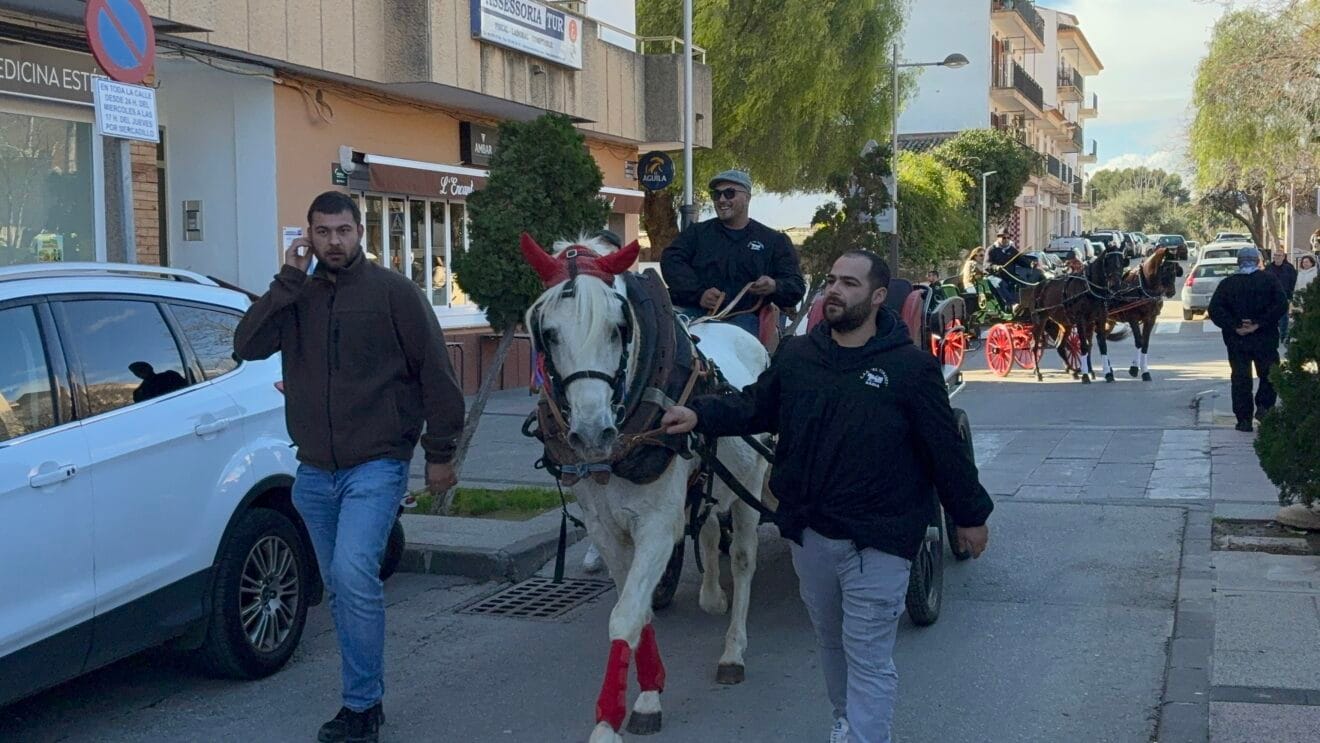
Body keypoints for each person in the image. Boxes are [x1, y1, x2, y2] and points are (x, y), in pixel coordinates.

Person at [660, 250, 993, 743]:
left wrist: (970, 515)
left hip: (879, 540)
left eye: (850, 283)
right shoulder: (798, 358)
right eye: (832, 281)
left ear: (878, 297)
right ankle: (845, 722)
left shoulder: (910, 369)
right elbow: (756, 407)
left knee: (869, 655)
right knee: (832, 643)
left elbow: (946, 451)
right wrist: (700, 416)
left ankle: (863, 736)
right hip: (812, 536)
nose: (835, 290)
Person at [234, 191, 466, 743]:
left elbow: (438, 376)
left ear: (360, 232)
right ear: (307, 236)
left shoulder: (393, 293)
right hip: (313, 471)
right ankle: (365, 697)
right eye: (322, 232)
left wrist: (439, 456)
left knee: (351, 574)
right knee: (341, 588)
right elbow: (246, 343)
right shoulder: (297, 296)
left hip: (377, 463)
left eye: (343, 230)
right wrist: (287, 282)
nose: (333, 241)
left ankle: (362, 707)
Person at [660, 169, 806, 335]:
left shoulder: (774, 241)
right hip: (695, 314)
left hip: (747, 321)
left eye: (729, 193)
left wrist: (774, 285)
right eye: (717, 194)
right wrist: (698, 294)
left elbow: (795, 285)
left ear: (747, 197)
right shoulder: (696, 234)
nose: (722, 199)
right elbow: (671, 261)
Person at [1208, 246, 1288, 433]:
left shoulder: (1228, 284)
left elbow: (1215, 310)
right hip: (1265, 338)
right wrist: (1258, 324)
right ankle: (1264, 408)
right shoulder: (1269, 280)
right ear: (1257, 260)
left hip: (1237, 340)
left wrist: (1235, 326)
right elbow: (1281, 305)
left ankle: (1243, 420)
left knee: (1240, 378)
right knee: (1269, 375)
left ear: (1238, 261)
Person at [1264, 249, 1299, 341]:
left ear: (1283, 257)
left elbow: (1293, 282)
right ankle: (1272, 335)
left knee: (1284, 317)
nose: (1277, 257)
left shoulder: (1289, 268)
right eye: (1275, 255)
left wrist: (1290, 296)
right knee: (1271, 316)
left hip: (1284, 296)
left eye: (1279, 255)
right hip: (1270, 297)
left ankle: (1283, 335)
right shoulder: (1268, 268)